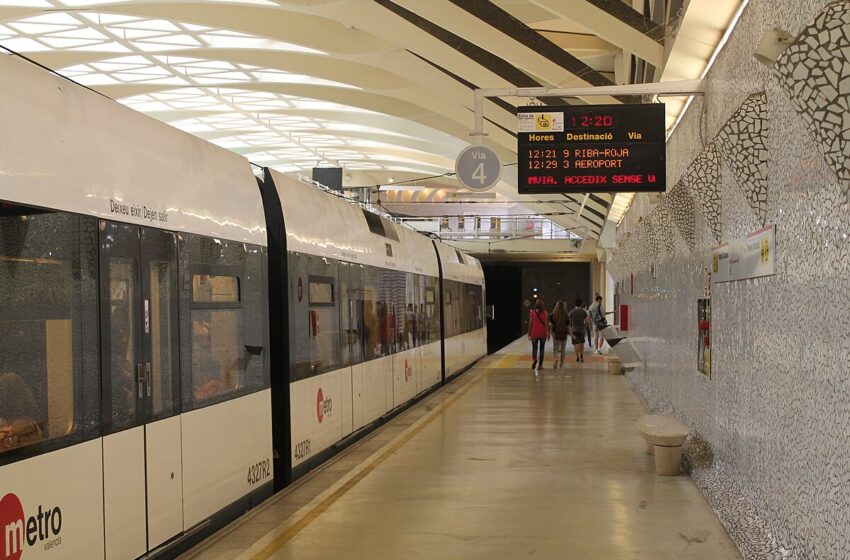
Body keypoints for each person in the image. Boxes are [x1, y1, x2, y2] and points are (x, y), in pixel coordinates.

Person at [527, 298, 550, 371]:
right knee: (542, 349)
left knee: (534, 348)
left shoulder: (532, 312)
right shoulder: (545, 312)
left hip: (534, 333)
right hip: (542, 333)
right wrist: (548, 333)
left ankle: (534, 360)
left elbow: (530, 323)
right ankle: (540, 365)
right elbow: (546, 324)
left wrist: (529, 333)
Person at [549, 300, 570, 369]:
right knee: (563, 350)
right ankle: (561, 365)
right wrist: (571, 333)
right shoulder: (566, 315)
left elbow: (551, 325)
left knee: (555, 348)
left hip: (556, 333)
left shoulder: (552, 315)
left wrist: (551, 333)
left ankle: (555, 358)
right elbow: (568, 326)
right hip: (564, 334)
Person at [569, 298, 589, 362]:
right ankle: (582, 356)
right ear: (581, 304)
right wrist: (585, 327)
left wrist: (570, 329)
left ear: (575, 304)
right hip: (582, 330)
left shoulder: (572, 311)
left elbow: (568, 321)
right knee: (581, 343)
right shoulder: (583, 312)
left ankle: (577, 357)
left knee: (576, 344)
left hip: (574, 329)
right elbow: (587, 321)